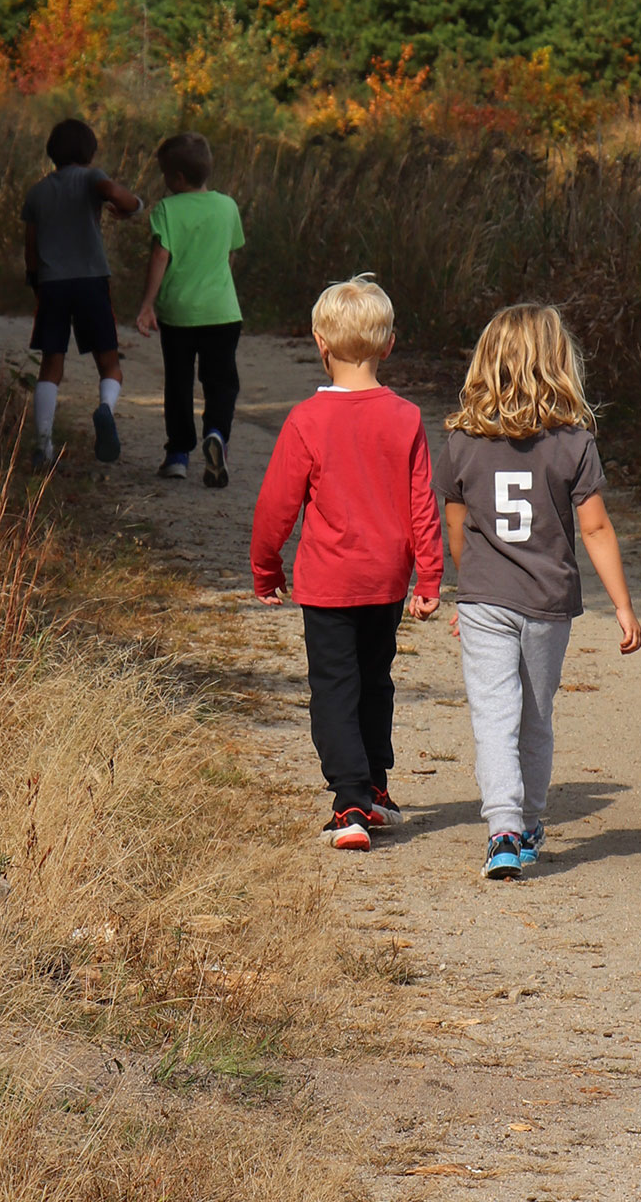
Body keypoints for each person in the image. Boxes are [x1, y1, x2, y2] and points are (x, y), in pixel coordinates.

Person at [436, 304, 641, 883]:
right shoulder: (574, 443)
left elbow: (457, 528)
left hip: (484, 600)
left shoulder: (462, 441)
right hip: (550, 604)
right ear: (559, 364)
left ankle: (501, 831)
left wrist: (470, 585)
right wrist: (623, 604)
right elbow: (596, 528)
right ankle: (526, 823)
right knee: (536, 715)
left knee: (493, 714)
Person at [250, 274, 443, 850]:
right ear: (388, 345)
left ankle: (350, 802)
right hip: (387, 580)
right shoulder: (404, 416)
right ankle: (375, 783)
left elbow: (276, 505)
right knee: (375, 680)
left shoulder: (307, 420)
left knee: (335, 686)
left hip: (328, 582)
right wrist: (429, 575)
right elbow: (422, 505)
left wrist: (267, 568)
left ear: (319, 343)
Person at [20, 118, 142, 470]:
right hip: (90, 282)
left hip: (53, 284)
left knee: (51, 364)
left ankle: (43, 443)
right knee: (109, 362)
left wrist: (35, 282)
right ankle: (105, 408)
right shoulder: (91, 178)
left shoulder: (38, 192)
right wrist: (130, 206)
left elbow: (30, 246)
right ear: (90, 152)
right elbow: (122, 197)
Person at [133, 131, 245, 488]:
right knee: (222, 381)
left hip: (179, 314)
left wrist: (148, 304)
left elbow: (160, 256)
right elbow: (230, 254)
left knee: (179, 382)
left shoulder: (167, 209)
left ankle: (179, 454)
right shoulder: (227, 206)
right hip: (223, 312)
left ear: (177, 178)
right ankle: (217, 435)